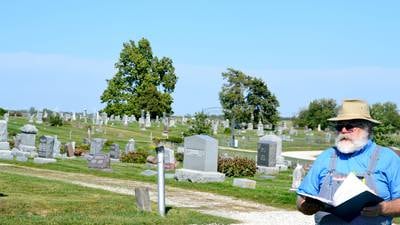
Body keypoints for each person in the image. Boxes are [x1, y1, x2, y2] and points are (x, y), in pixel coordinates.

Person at [296, 99, 400, 225]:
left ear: (367, 128)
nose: (343, 131)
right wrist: (306, 206)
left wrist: (382, 209)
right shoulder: (326, 157)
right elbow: (302, 197)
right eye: (340, 126)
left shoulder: (388, 158)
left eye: (349, 126)